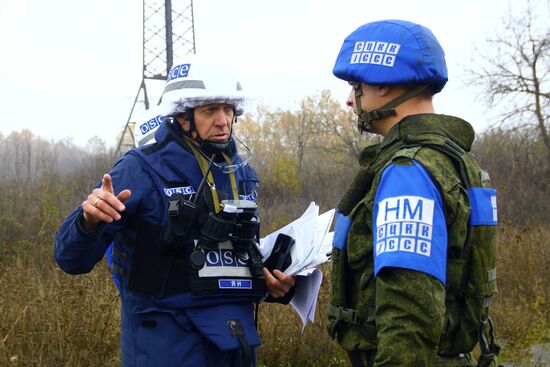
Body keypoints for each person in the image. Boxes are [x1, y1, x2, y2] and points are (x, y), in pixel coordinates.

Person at [54, 54, 295, 367]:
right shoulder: (140, 169)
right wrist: (88, 221)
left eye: (228, 109)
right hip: (166, 348)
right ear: (182, 116)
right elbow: (70, 260)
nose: (223, 120)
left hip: (235, 343)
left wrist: (275, 285)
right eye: (210, 110)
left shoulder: (242, 174)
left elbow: (234, 264)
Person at [327, 20, 501, 367]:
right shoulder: (453, 159)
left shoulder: (409, 173)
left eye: (355, 85)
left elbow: (410, 316)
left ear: (386, 87)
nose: (349, 100)